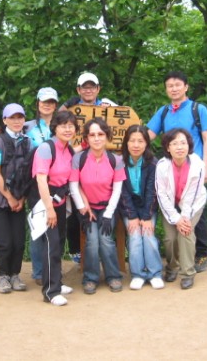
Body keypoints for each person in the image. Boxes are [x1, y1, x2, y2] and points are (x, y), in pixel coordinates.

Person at [147, 71, 207, 273]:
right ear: (166, 89)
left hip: (194, 168)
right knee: (173, 209)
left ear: (186, 87)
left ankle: (201, 254)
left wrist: (206, 166)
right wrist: (130, 143)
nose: (174, 88)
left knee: (195, 211)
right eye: (170, 85)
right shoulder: (164, 112)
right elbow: (148, 135)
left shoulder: (198, 109)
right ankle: (177, 259)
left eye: (177, 85)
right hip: (171, 168)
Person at [59, 72, 117, 264]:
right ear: (78, 90)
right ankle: (76, 251)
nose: (88, 90)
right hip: (76, 163)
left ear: (98, 89)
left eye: (92, 86)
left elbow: (123, 125)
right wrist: (68, 103)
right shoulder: (72, 109)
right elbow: (57, 120)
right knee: (74, 211)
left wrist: (110, 109)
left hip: (103, 165)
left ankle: (107, 257)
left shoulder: (107, 105)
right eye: (84, 87)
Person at [69, 117, 126, 294]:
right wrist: (82, 209)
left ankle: (113, 276)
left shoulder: (115, 160)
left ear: (107, 136)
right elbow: (73, 185)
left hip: (108, 207)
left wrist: (108, 214)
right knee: (92, 240)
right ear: (86, 137)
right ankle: (90, 278)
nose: (96, 138)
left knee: (106, 239)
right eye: (92, 135)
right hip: (86, 207)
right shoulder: (79, 158)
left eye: (100, 134)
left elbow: (117, 189)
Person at [0, 103, 32, 294]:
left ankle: (15, 274)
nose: (17, 121)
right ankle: (2, 275)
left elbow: (30, 173)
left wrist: (22, 199)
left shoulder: (28, 142)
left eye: (20, 117)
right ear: (5, 120)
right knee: (5, 242)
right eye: (12, 117)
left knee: (19, 242)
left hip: (18, 198)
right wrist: (10, 198)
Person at [31, 111, 78, 306]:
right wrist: (49, 209)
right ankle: (50, 291)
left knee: (59, 241)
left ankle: (56, 281)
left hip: (60, 202)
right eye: (63, 125)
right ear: (55, 128)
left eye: (71, 126)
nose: (67, 129)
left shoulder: (69, 150)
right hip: (45, 203)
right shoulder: (46, 148)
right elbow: (41, 179)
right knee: (51, 245)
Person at [155, 128, 207, 289]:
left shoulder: (198, 164)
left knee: (185, 232)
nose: (179, 147)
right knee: (170, 238)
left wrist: (183, 219)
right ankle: (172, 267)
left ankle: (188, 273)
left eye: (183, 143)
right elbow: (161, 195)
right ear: (168, 147)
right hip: (170, 205)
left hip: (193, 204)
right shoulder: (162, 166)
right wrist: (175, 218)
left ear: (189, 145)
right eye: (174, 143)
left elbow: (193, 195)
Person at [118, 125, 164, 290]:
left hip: (147, 207)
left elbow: (153, 192)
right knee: (135, 235)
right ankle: (138, 274)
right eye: (132, 141)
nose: (136, 145)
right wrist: (132, 216)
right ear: (126, 142)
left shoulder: (153, 164)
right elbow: (123, 193)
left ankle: (154, 273)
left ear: (146, 144)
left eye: (140, 141)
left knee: (148, 234)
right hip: (128, 208)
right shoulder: (120, 163)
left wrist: (146, 217)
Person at [24, 87, 59, 286]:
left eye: (51, 102)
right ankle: (38, 272)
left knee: (54, 227)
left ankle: (52, 269)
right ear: (37, 103)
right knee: (38, 227)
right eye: (44, 101)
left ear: (56, 104)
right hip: (36, 183)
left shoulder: (62, 125)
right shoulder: (26, 127)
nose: (47, 105)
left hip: (58, 183)